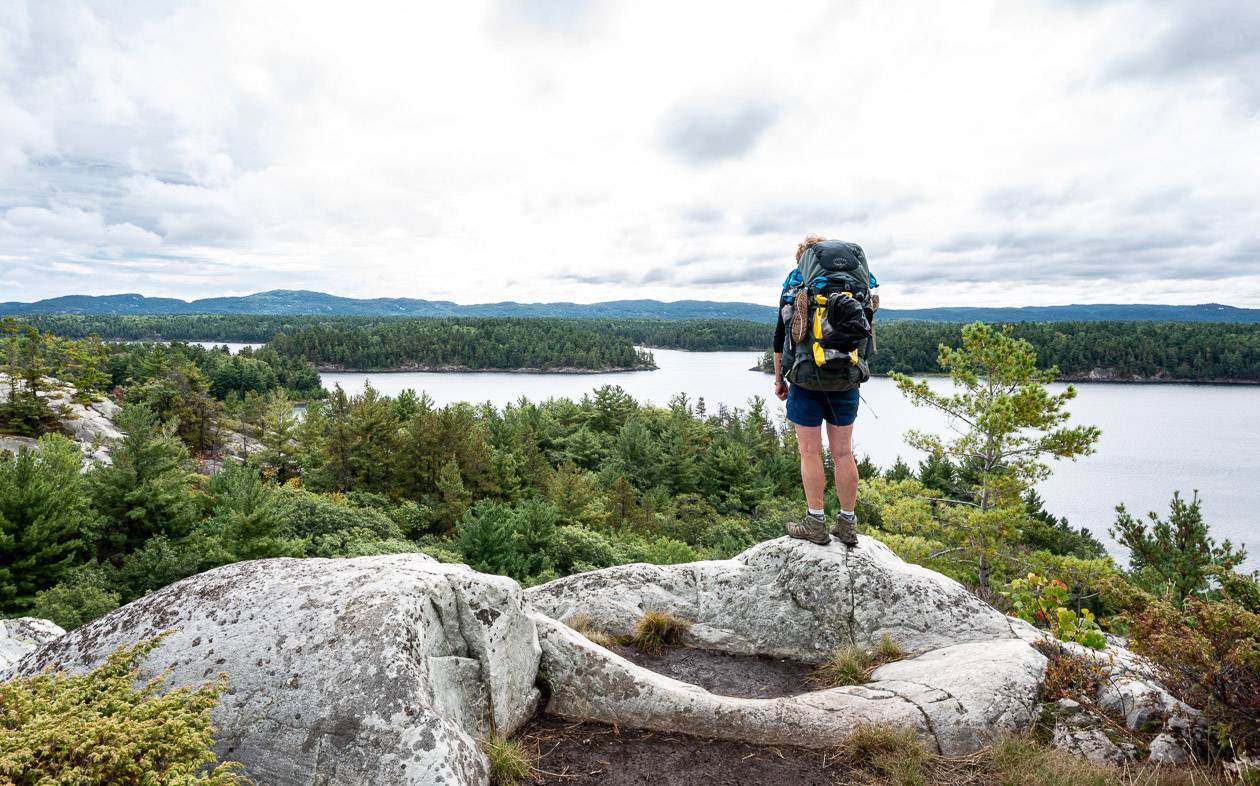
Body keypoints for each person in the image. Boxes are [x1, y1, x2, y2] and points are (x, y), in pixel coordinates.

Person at [773, 234, 878, 547]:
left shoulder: (796, 281)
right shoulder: (858, 282)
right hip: (846, 377)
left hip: (806, 379)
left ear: (804, 260)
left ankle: (815, 522)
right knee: (843, 453)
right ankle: (847, 524)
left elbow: (781, 336)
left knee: (810, 451)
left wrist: (779, 379)